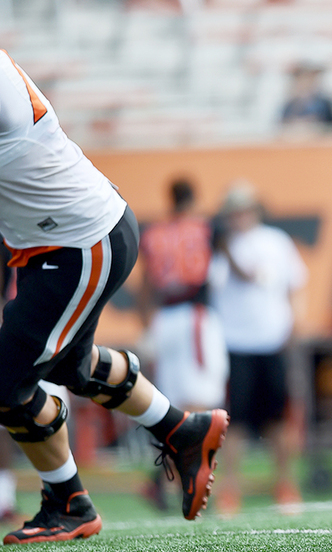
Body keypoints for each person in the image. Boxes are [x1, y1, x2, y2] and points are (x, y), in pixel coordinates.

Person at [0, 50, 229, 544]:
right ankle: (183, 431)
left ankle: (68, 502)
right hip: (61, 242)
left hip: (79, 243)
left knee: (5, 380)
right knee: (67, 367)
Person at [208, 181, 308, 514]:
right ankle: (229, 490)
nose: (238, 218)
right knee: (235, 422)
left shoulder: (275, 242)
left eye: (243, 210)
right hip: (236, 344)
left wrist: (295, 323)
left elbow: (295, 285)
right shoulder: (221, 250)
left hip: (271, 340)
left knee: (278, 419)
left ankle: (285, 484)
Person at [137, 178, 229, 510]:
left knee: (171, 405)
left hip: (165, 319)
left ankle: (166, 480)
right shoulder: (205, 228)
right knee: (202, 404)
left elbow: (146, 285)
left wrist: (147, 326)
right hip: (195, 318)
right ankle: (190, 480)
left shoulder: (154, 233)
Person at [279, 62, 332, 134]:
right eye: (302, 80)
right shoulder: (290, 104)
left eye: (309, 79)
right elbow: (283, 124)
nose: (305, 83)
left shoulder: (324, 103)